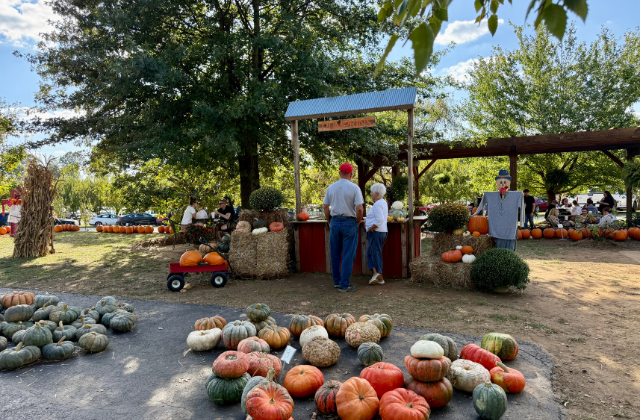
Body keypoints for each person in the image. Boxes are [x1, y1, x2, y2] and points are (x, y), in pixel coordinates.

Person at [323, 163, 364, 292]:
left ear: (340, 173)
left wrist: (329, 220)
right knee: (348, 255)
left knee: (335, 254)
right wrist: (358, 220)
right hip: (349, 222)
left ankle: (336, 281)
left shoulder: (331, 187)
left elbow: (325, 207)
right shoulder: (355, 188)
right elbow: (359, 208)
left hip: (335, 222)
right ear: (351, 174)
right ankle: (344, 284)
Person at [364, 183, 388, 286]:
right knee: (371, 253)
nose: (371, 194)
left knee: (375, 253)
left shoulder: (378, 204)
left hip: (377, 232)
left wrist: (371, 229)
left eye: (372, 192)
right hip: (380, 232)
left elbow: (379, 220)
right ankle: (375, 274)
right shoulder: (383, 202)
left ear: (377, 193)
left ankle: (379, 276)